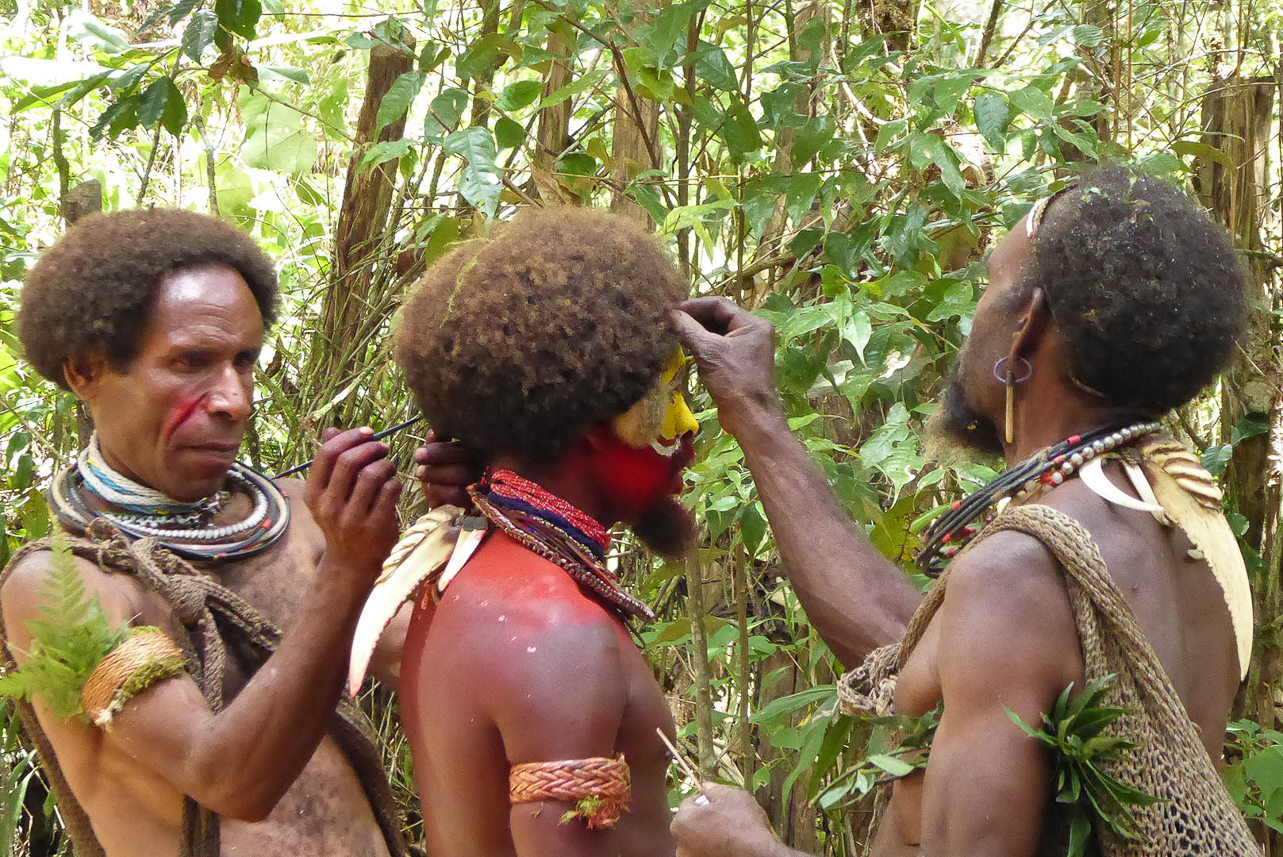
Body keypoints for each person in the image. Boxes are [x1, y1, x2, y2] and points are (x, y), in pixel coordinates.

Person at [416, 167, 1259, 855]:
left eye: (986, 282)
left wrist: (755, 849)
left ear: (1024, 326)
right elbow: (945, 655)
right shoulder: (1185, 523)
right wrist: (755, 417)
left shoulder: (1024, 572)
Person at [2, 209, 407, 857]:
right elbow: (227, 777)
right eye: (192, 362)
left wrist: (468, 516)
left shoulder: (304, 520)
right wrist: (347, 572)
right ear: (85, 370)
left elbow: (428, 661)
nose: (234, 399)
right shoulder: (59, 586)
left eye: (244, 362)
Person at [357, 206, 698, 857]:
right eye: (671, 394)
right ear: (600, 410)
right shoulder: (558, 632)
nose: (686, 429)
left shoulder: (459, 578)